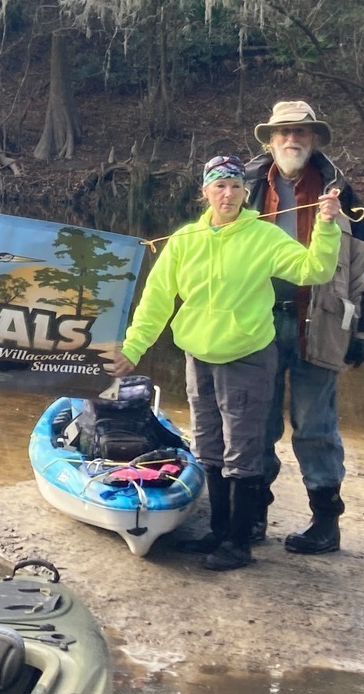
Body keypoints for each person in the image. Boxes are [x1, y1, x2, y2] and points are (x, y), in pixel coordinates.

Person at [111, 154, 343, 571]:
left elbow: (316, 270)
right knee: (208, 444)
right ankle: (217, 531)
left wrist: (326, 226)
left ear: (245, 192)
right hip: (198, 355)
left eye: (236, 186)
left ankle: (240, 541)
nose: (228, 194)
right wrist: (133, 349)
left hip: (247, 355)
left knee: (243, 449)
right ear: (204, 192)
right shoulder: (184, 240)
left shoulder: (264, 237)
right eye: (219, 185)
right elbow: (156, 301)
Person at [244, 100, 364, 556]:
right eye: (282, 133)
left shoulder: (343, 198)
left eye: (300, 133)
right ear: (269, 140)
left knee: (315, 427)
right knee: (256, 425)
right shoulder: (242, 189)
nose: (291, 140)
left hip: (320, 325)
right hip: (255, 324)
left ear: (314, 140)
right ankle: (253, 517)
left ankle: (325, 524)